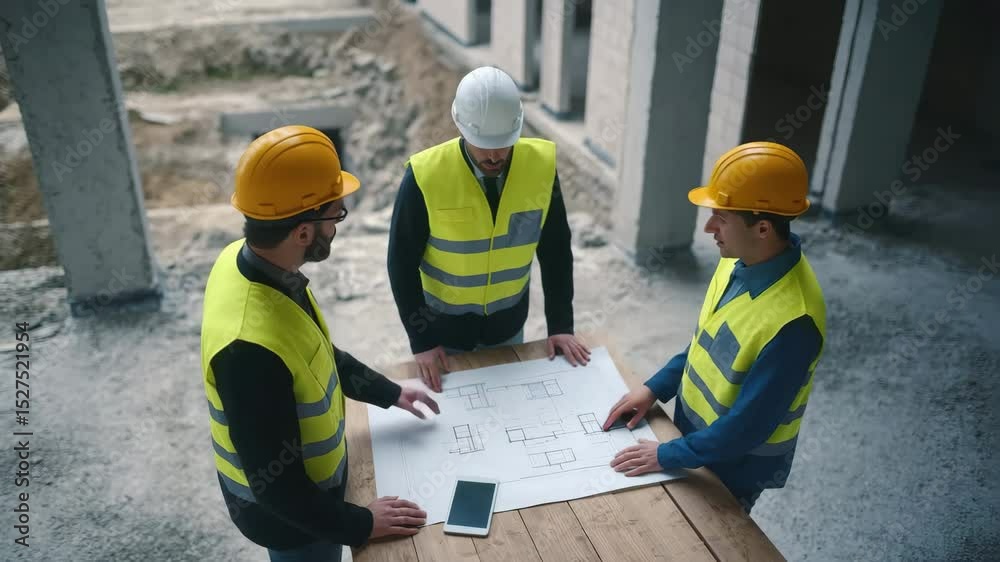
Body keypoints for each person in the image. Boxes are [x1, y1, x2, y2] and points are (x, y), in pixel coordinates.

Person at [200, 125, 439, 561]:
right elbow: (278, 490)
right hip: (293, 523)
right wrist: (363, 524)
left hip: (313, 499)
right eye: (336, 214)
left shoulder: (249, 262)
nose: (339, 221)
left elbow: (315, 356)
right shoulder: (249, 350)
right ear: (304, 232)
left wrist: (388, 392)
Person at [603, 141, 827, 514]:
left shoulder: (795, 323)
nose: (708, 228)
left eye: (720, 218)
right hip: (695, 442)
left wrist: (667, 454)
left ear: (763, 228)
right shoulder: (738, 261)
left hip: (733, 471)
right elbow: (706, 344)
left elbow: (747, 428)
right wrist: (654, 387)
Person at [387, 65, 590, 392]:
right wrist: (421, 341)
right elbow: (400, 263)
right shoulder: (425, 176)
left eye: (504, 143)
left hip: (508, 325)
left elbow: (555, 251)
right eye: (484, 144)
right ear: (462, 129)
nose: (495, 154)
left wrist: (561, 325)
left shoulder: (540, 168)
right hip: (443, 332)